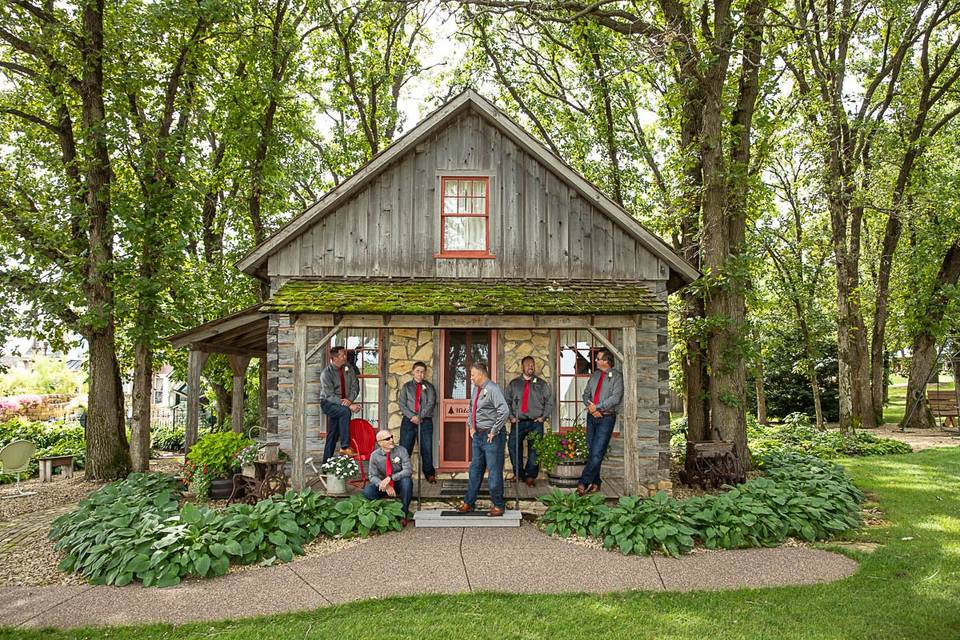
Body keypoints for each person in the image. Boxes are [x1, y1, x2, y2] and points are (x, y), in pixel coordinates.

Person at [457, 362, 510, 517]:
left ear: (481, 374)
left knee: (494, 472)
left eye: (472, 374)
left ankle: (499, 505)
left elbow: (504, 411)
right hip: (478, 436)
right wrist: (471, 428)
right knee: (475, 470)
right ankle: (469, 502)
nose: (471, 378)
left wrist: (494, 430)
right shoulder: (476, 389)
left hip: (491, 437)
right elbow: (471, 408)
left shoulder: (493, 389)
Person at [577, 349, 623, 496]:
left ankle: (583, 483)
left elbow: (615, 398)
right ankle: (596, 483)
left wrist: (598, 407)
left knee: (597, 453)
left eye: (598, 358)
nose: (595, 361)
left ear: (606, 361)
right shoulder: (595, 375)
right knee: (592, 451)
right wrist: (592, 409)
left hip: (606, 418)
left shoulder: (617, 377)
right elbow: (585, 395)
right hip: (592, 417)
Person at [505, 356, 553, 487]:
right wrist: (511, 417)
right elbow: (506, 402)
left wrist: (543, 417)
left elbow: (549, 402)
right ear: (522, 367)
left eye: (532, 364)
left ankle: (530, 476)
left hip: (536, 422)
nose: (530, 366)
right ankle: (518, 474)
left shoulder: (542, 384)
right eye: (527, 364)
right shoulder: (514, 384)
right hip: (518, 422)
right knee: (514, 446)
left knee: (535, 449)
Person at [363, 429, 413, 525]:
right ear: (380, 443)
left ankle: (403, 514)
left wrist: (390, 478)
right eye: (387, 439)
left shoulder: (401, 450)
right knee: (367, 491)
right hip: (383, 485)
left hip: (399, 483)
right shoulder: (374, 455)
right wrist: (385, 485)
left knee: (407, 482)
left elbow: (408, 471)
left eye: (391, 437)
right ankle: (383, 512)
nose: (391, 440)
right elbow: (372, 476)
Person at [398, 361, 438, 483]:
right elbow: (402, 404)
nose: (420, 374)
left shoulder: (429, 387)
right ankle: (402, 473)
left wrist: (420, 416)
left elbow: (431, 403)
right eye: (418, 371)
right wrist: (412, 416)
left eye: (422, 372)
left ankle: (429, 473)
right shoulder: (406, 387)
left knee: (426, 448)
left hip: (425, 421)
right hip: (408, 421)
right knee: (405, 448)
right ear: (413, 372)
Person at [320, 346, 360, 463]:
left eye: (345, 354)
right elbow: (329, 396)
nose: (345, 357)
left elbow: (355, 386)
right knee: (345, 411)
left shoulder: (349, 368)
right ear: (334, 358)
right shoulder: (326, 373)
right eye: (342, 355)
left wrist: (350, 400)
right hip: (328, 403)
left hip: (342, 403)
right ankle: (345, 447)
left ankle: (326, 466)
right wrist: (348, 405)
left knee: (332, 434)